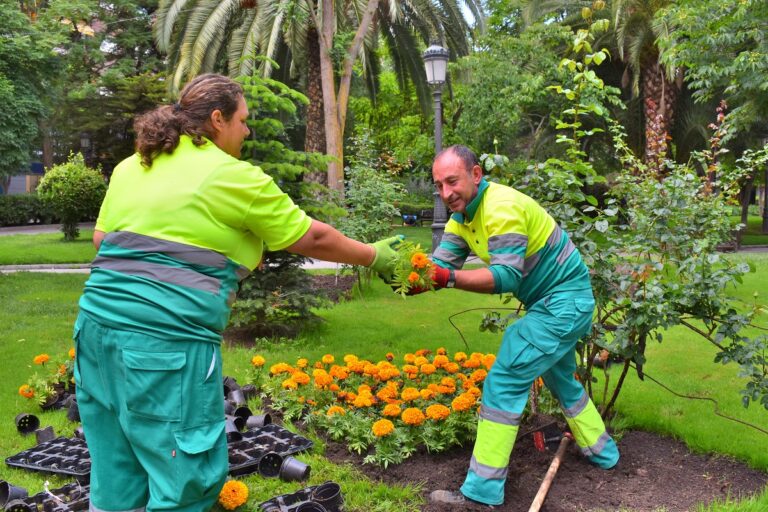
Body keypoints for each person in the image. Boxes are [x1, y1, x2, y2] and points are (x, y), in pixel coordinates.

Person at [72, 73, 401, 512]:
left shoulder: (134, 165)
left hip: (94, 337)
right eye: (243, 120)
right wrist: (374, 256)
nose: (247, 130)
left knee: (116, 472)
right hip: (164, 347)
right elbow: (312, 238)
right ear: (216, 119)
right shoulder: (232, 175)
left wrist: (209, 253)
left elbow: (103, 240)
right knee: (184, 479)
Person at [412, 145, 619, 507]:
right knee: (562, 382)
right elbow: (439, 265)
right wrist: (408, 273)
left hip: (563, 304)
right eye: (439, 186)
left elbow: (507, 277)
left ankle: (481, 493)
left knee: (505, 378)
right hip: (553, 305)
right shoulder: (461, 218)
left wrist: (445, 278)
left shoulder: (502, 207)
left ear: (476, 175)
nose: (446, 194)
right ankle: (606, 455)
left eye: (452, 182)